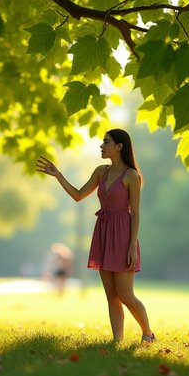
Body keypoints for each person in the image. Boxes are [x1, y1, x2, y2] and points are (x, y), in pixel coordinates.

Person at [36, 129, 155, 344]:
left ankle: (148, 333)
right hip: (103, 233)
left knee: (126, 295)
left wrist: (131, 246)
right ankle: (117, 340)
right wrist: (58, 175)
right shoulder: (101, 171)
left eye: (106, 142)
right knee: (112, 296)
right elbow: (79, 195)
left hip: (123, 236)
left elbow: (136, 212)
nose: (101, 146)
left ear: (119, 146)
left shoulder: (131, 176)